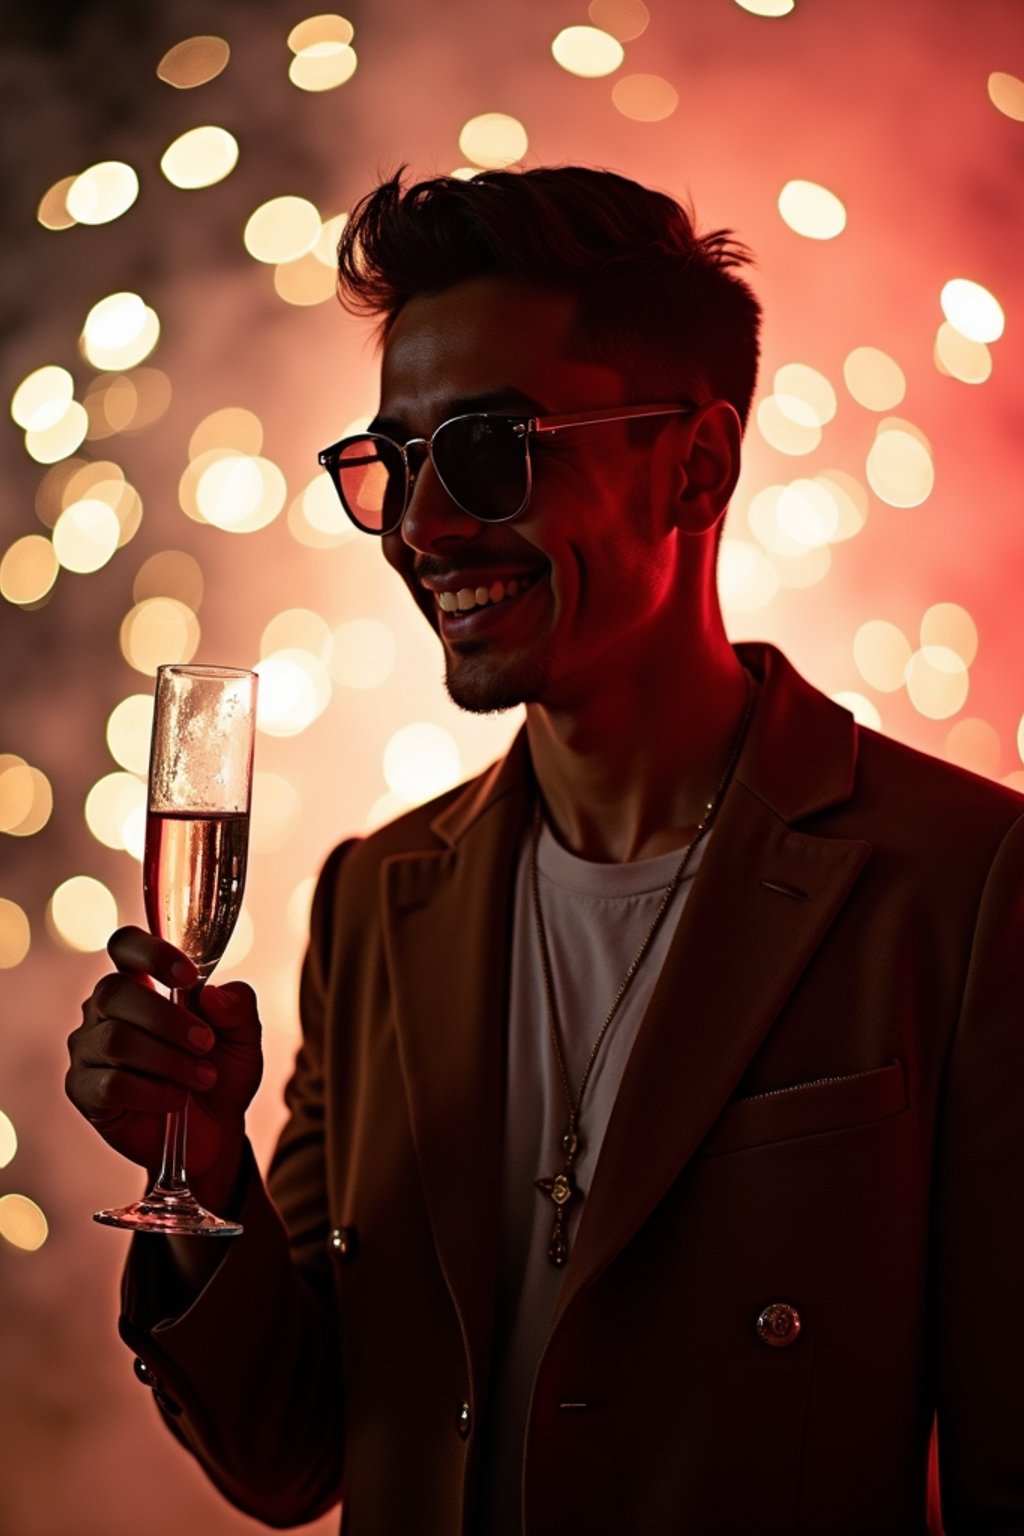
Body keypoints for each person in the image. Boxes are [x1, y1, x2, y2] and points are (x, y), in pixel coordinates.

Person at [66, 166, 1024, 1536]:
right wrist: (203, 1168)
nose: (422, 525)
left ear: (697, 464)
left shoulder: (964, 884)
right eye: (392, 463)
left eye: (489, 451)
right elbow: (289, 1457)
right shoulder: (373, 900)